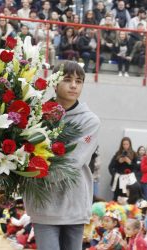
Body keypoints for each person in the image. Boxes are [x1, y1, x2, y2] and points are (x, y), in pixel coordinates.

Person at [24, 61, 100, 250]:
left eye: (79, 81)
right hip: (43, 204)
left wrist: (35, 173)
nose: (74, 85)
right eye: (67, 80)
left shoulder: (89, 120)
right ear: (54, 82)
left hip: (74, 203)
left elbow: (72, 161)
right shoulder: (36, 114)